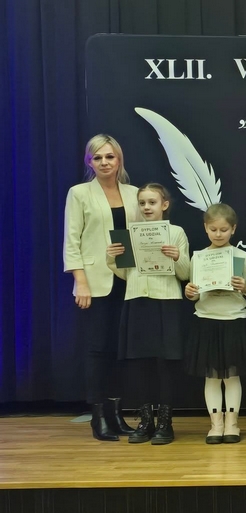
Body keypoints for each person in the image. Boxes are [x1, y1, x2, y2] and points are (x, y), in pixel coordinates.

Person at [63, 134, 140, 441]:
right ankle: (99, 417)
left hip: (129, 280)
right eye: (98, 157)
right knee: (98, 350)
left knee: (120, 351)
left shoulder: (134, 193)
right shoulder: (79, 193)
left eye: (110, 156)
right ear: (89, 162)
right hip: (94, 283)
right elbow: (72, 240)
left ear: (119, 160)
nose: (105, 162)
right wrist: (80, 281)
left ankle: (117, 414)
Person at [105, 183, 190, 445]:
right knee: (139, 364)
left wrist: (176, 257)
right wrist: (112, 258)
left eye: (152, 202)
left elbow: (185, 274)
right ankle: (145, 421)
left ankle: (165, 423)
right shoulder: (128, 233)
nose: (146, 207)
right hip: (136, 300)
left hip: (166, 302)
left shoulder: (176, 232)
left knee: (165, 365)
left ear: (164, 204)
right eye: (142, 203)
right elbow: (125, 273)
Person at [183, 203, 246, 444]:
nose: (218, 234)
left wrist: (245, 287)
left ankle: (232, 423)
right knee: (212, 377)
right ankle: (215, 424)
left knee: (232, 376)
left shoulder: (242, 256)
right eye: (213, 229)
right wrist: (190, 293)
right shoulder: (198, 257)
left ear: (233, 229)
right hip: (206, 320)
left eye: (224, 230)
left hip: (233, 319)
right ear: (205, 228)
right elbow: (195, 293)